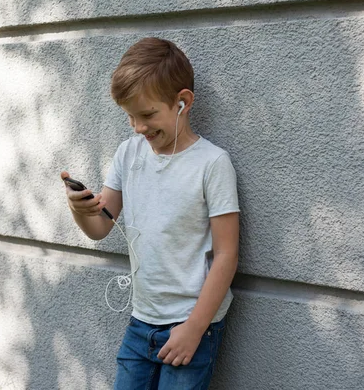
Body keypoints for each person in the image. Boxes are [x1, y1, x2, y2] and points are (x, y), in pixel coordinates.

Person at [61, 37, 239, 390]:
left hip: (193, 325)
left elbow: (227, 255)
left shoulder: (212, 164)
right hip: (141, 321)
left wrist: (194, 329)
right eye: (130, 117)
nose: (139, 127)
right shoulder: (129, 154)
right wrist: (78, 209)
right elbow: (100, 227)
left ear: (182, 103)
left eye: (147, 114)